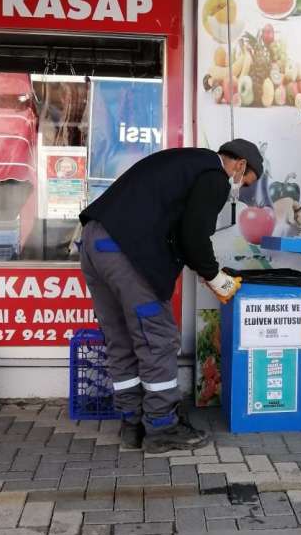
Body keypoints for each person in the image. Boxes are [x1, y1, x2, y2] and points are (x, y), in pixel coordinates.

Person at [79, 138, 263, 452]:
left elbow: (177, 230)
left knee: (121, 338)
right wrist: (214, 276)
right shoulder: (214, 175)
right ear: (240, 164)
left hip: (93, 242)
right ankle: (162, 425)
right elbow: (193, 235)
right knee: (157, 338)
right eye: (245, 182)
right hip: (125, 250)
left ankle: (131, 421)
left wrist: (202, 268)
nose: (240, 188)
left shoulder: (184, 161)